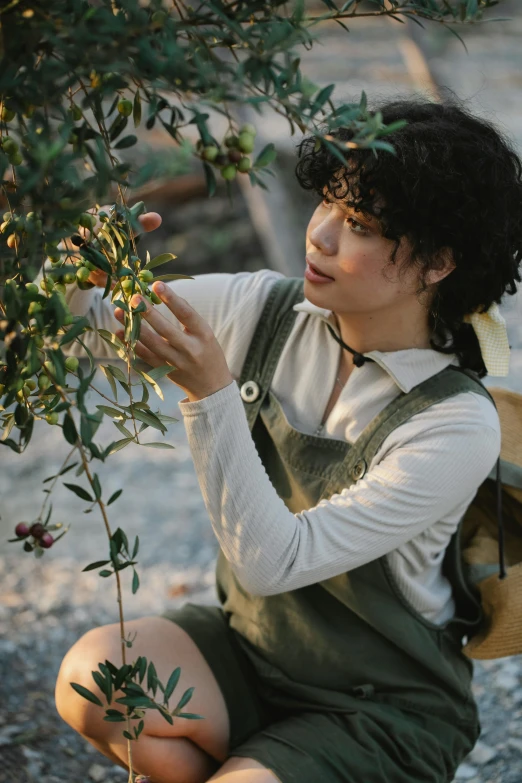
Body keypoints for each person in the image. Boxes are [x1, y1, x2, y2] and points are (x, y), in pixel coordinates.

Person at [51, 96, 522, 783]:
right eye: (325, 204)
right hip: (252, 650)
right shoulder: (265, 310)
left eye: (357, 224)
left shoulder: (454, 422)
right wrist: (82, 267)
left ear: (437, 262)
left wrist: (210, 392)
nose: (320, 237)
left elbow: (274, 561)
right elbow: (84, 328)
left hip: (379, 705)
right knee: (92, 680)